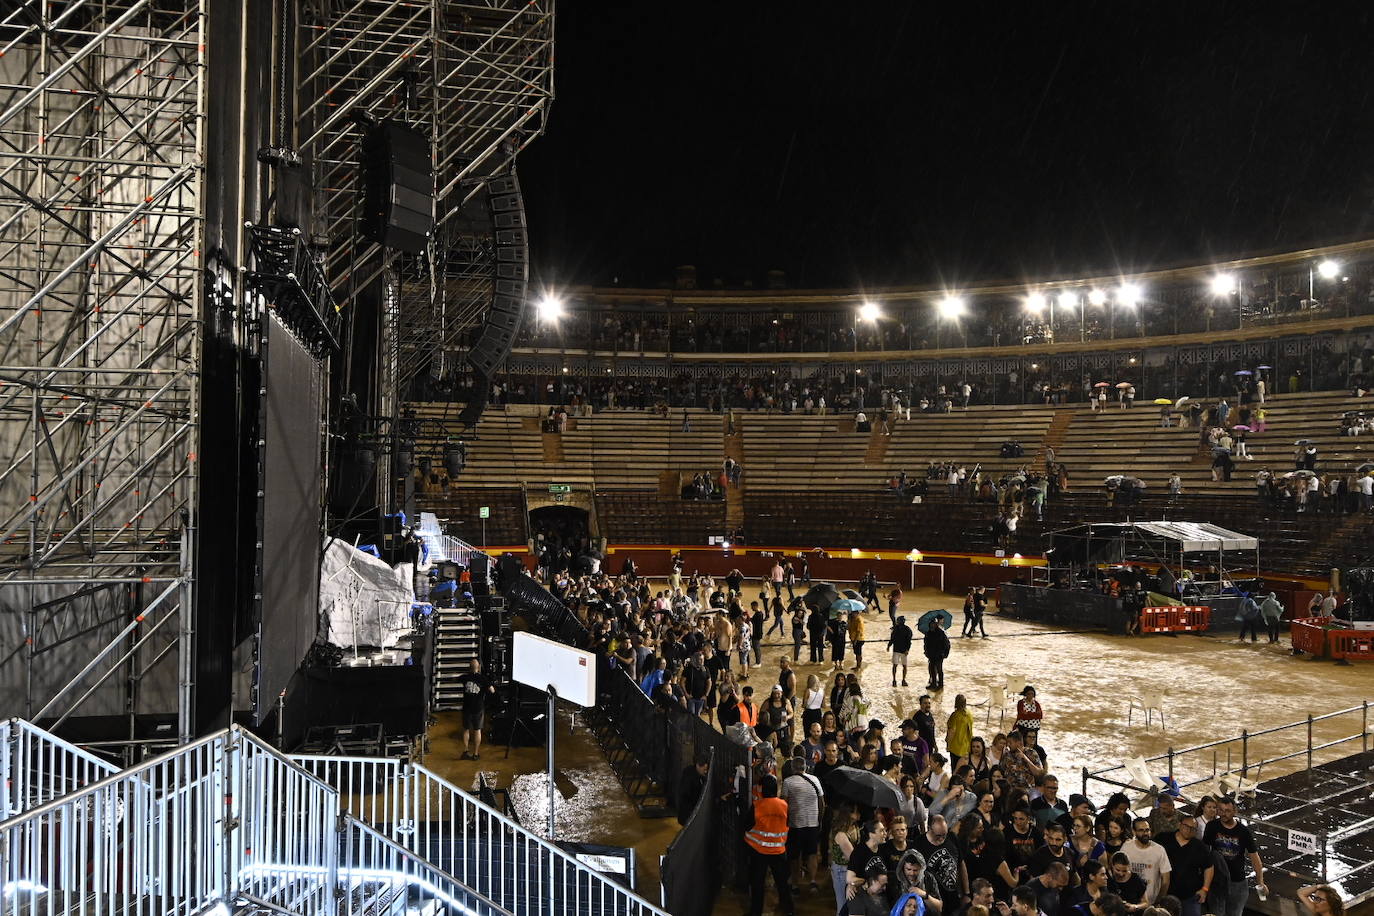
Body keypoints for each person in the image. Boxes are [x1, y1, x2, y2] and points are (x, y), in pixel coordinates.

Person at [1202, 797, 1265, 916]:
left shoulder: (1243, 831)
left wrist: (1260, 882)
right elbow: (1205, 852)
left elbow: (1254, 858)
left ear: (1234, 811)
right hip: (1217, 881)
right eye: (1221, 810)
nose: (1223, 814)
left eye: (1227, 811)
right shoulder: (1211, 826)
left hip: (1237, 881)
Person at [745, 774, 794, 916]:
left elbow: (747, 826)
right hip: (779, 850)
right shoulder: (784, 805)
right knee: (782, 883)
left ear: (762, 789)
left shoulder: (757, 806)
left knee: (757, 884)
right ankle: (789, 910)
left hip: (758, 851)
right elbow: (788, 823)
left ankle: (756, 912)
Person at [782, 757, 825, 894]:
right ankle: (812, 881)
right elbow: (822, 802)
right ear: (805, 767)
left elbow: (784, 804)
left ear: (793, 768)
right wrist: (819, 819)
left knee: (795, 855)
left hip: (796, 824)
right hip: (813, 823)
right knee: (812, 853)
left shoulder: (788, 782)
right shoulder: (815, 780)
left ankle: (795, 884)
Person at [1155, 815, 1213, 916]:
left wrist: (1205, 889)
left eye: (1193, 829)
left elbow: (1209, 867)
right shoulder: (1163, 838)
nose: (1189, 830)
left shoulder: (1200, 847)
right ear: (1179, 825)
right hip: (1165, 893)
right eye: (1186, 826)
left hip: (1190, 896)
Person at [914, 815, 965, 906]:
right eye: (938, 835)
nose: (942, 838)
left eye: (944, 835)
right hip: (935, 897)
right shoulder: (918, 844)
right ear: (929, 828)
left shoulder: (952, 837)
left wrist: (966, 892)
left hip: (955, 895)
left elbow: (961, 864)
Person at [1122, 818, 1171, 904]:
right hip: (1130, 901)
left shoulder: (1159, 850)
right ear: (1134, 832)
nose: (1145, 833)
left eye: (1147, 830)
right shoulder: (1126, 847)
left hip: (1151, 902)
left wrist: (1158, 901)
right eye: (1141, 830)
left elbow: (1166, 880)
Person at [456, 658, 495, 760]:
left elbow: (455, 679)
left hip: (467, 708)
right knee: (477, 730)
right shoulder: (483, 679)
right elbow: (492, 690)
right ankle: (476, 754)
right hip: (478, 708)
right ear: (478, 667)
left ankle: (465, 751)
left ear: (469, 667)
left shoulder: (465, 677)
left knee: (466, 729)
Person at [676, 755, 709, 826]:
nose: (706, 772)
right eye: (704, 769)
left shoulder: (692, 772)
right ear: (698, 766)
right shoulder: (690, 777)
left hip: (689, 813)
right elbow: (687, 795)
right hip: (688, 813)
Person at [924, 617, 951, 690]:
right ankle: (933, 684)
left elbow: (947, 644)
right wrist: (926, 651)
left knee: (939, 670)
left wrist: (945, 654)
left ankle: (940, 685)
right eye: (931, 624)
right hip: (931, 655)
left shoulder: (941, 633)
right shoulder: (928, 633)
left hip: (939, 655)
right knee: (932, 670)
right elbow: (926, 644)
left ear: (936, 624)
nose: (932, 625)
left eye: (933, 624)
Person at [947, 694, 975, 763]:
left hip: (956, 748)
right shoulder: (970, 714)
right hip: (967, 748)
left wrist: (948, 745)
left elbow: (951, 732)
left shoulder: (955, 716)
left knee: (955, 770)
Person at [889, 615, 915, 686]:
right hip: (903, 651)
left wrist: (889, 646)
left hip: (897, 650)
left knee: (895, 665)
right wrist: (907, 649)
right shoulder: (907, 629)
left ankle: (894, 680)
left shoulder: (896, 629)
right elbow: (909, 641)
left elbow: (892, 639)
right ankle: (903, 680)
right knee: (904, 666)